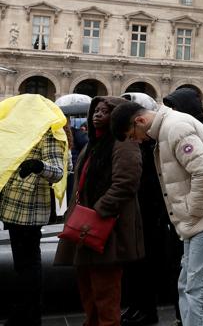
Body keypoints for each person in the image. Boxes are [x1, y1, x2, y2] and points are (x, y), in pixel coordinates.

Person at [110, 101, 203, 326]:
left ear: (140, 121)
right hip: (201, 219)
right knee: (189, 286)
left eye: (132, 135)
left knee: (199, 291)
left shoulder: (175, 128)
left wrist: (192, 212)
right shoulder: (168, 129)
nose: (136, 140)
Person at [54, 96, 144, 326]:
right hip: (86, 226)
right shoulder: (92, 144)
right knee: (87, 288)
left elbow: (125, 183)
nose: (97, 114)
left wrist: (98, 211)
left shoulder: (123, 142)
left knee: (106, 292)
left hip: (106, 228)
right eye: (96, 110)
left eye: (105, 111)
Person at [0, 94, 68, 325]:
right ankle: (24, 312)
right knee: (22, 263)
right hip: (11, 207)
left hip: (30, 210)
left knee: (28, 265)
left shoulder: (48, 133)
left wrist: (38, 166)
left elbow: (58, 172)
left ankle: (29, 314)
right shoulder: (19, 131)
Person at [120, 93, 178, 326]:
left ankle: (147, 309)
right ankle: (139, 307)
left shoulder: (156, 141)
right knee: (138, 267)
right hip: (142, 212)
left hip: (154, 215)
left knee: (149, 265)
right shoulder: (139, 141)